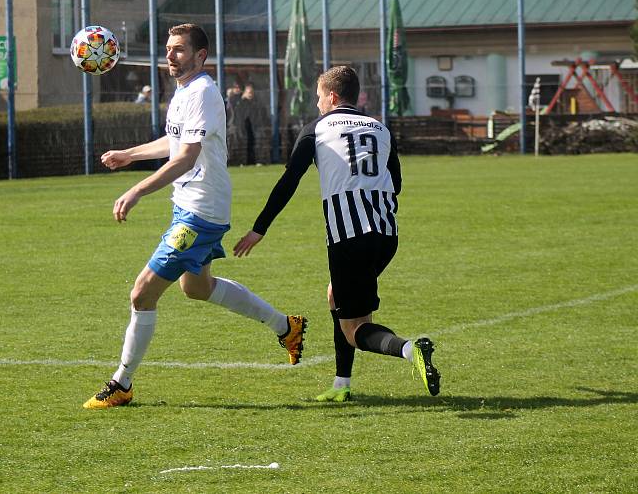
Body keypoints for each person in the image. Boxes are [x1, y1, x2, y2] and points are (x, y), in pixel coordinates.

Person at [84, 23, 307, 409]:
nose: (170, 55)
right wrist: (130, 155)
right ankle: (286, 327)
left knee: (142, 292)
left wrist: (137, 189)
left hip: (199, 214)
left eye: (179, 49)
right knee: (196, 288)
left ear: (200, 55)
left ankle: (122, 383)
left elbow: (186, 157)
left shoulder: (203, 92)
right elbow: (175, 142)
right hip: (191, 207)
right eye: (168, 48)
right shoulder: (185, 90)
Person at [234, 65, 441, 401]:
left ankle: (409, 349)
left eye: (318, 97)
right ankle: (341, 385)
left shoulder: (317, 128)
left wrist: (260, 228)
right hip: (386, 234)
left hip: (349, 237)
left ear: (331, 96)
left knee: (353, 330)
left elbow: (289, 180)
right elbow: (397, 184)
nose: (317, 104)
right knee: (338, 298)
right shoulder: (380, 128)